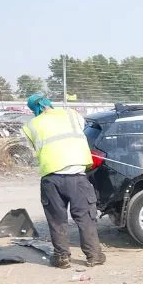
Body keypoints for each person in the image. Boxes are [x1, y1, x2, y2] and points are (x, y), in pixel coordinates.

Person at [22, 94, 105, 269]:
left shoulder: (31, 126)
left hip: (51, 179)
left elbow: (33, 150)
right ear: (48, 102)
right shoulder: (72, 115)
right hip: (77, 176)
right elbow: (82, 131)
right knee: (85, 218)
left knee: (56, 220)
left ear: (33, 109)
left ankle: (62, 258)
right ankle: (94, 256)